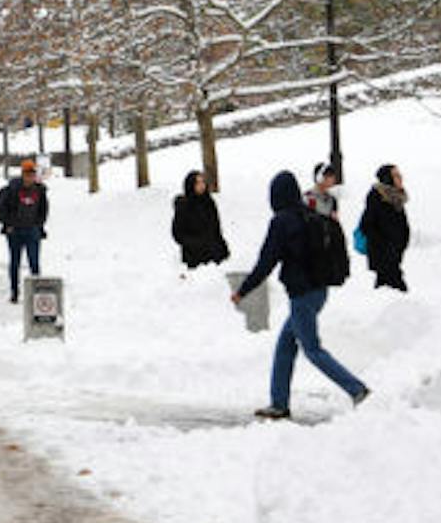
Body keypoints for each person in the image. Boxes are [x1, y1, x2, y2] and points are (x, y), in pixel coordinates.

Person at [231, 170, 369, 419]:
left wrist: (243, 291)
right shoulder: (309, 215)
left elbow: (266, 262)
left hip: (302, 295)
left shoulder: (282, 222)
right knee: (285, 346)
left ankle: (357, 389)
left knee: (312, 350)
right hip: (318, 291)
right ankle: (279, 403)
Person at [0, 159, 50, 304]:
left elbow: (43, 210)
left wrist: (39, 224)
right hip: (15, 232)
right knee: (15, 262)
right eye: (27, 174)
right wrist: (9, 223)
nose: (30, 178)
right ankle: (14, 292)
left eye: (32, 174)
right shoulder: (11, 190)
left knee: (34, 262)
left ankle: (36, 291)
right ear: (22, 174)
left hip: (32, 230)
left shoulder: (40, 191)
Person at [357, 164, 411, 291]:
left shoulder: (396, 198)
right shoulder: (377, 197)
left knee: (388, 293)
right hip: (383, 257)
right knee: (396, 291)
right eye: (396, 175)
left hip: (394, 256)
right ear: (388, 178)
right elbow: (367, 224)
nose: (400, 178)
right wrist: (384, 246)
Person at [171, 170, 231, 269]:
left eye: (203, 182)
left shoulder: (209, 203)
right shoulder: (184, 206)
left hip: (214, 254)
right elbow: (177, 233)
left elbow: (216, 228)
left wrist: (222, 247)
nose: (201, 185)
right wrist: (194, 244)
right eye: (198, 183)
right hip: (194, 257)